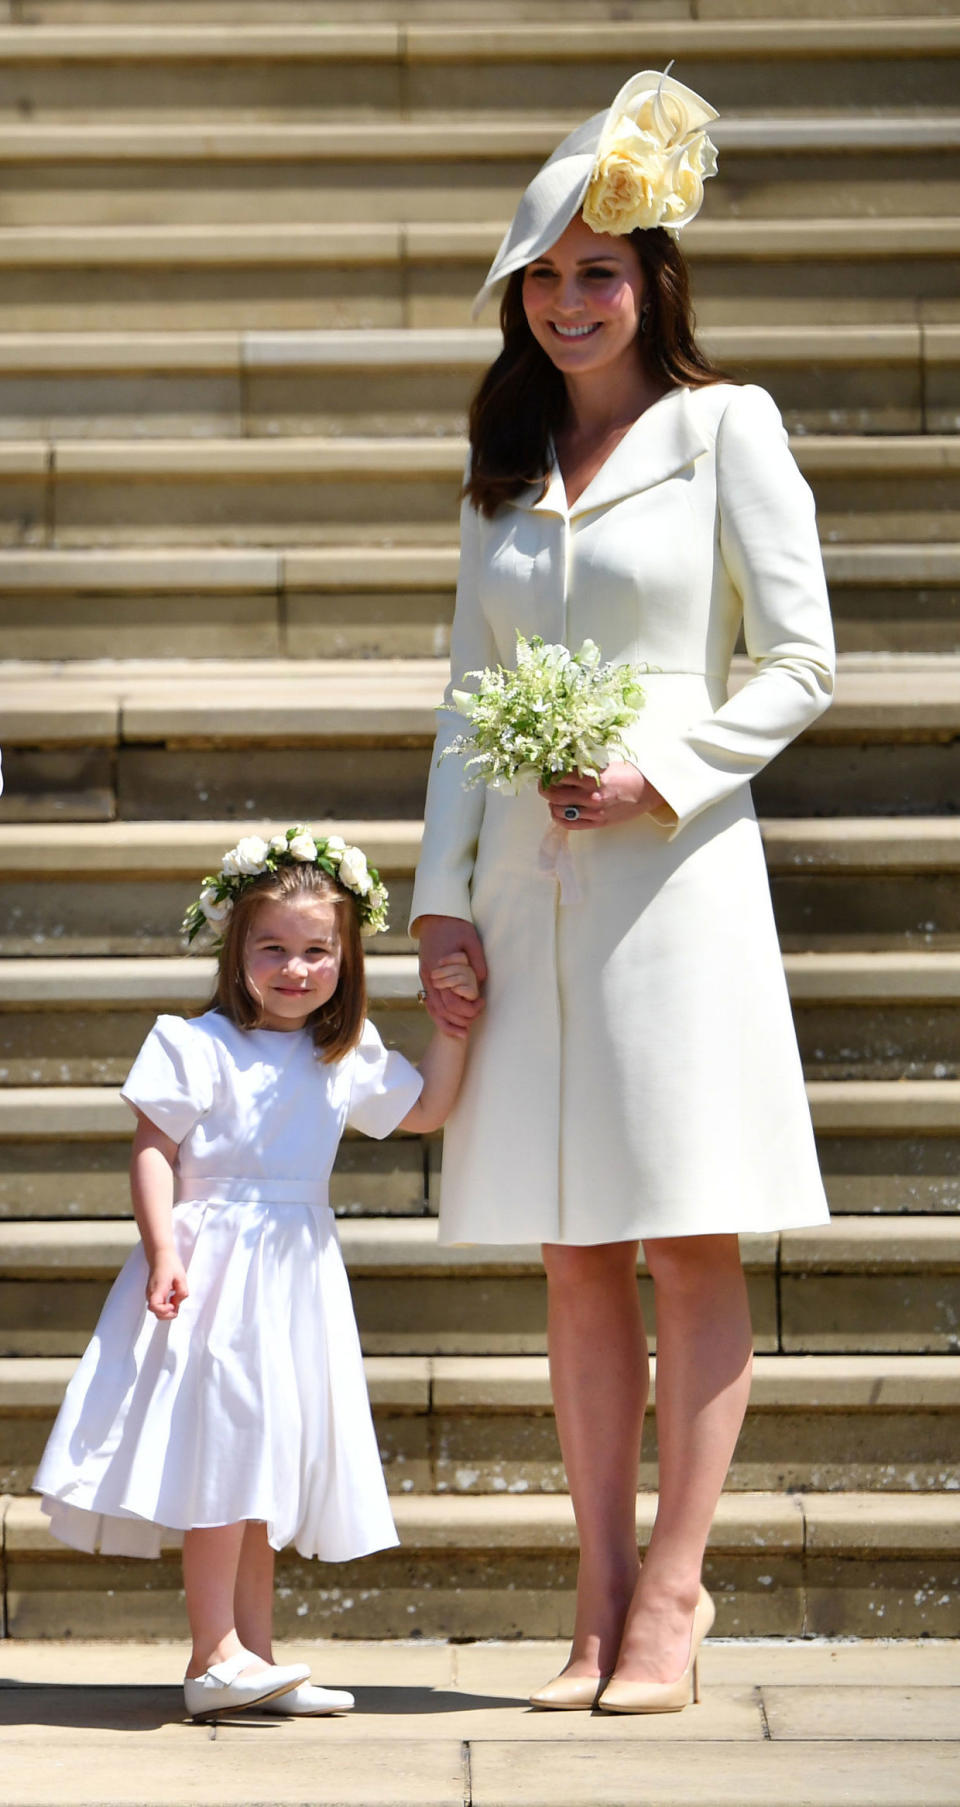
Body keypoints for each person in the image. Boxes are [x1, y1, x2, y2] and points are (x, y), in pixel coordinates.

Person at [411, 69, 835, 1714]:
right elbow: (463, 698)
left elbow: (802, 659)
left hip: (678, 890)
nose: (573, 297)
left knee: (682, 1230)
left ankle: (674, 1593)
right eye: (547, 272)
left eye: (603, 267)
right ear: (519, 296)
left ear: (657, 278)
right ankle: (592, 1594)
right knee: (571, 1246)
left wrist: (672, 764)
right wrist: (441, 898)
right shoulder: (500, 464)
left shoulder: (733, 426)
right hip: (527, 894)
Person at [35, 829, 477, 1722]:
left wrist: (453, 1028)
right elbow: (155, 1148)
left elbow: (427, 1106)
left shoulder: (340, 1052)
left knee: (262, 1463)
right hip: (211, 1271)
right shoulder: (195, 1043)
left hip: (293, 1276)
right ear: (235, 947)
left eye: (318, 950)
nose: (295, 967)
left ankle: (255, 1655)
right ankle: (213, 1656)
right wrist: (162, 1248)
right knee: (224, 1459)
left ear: (346, 958)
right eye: (272, 947)